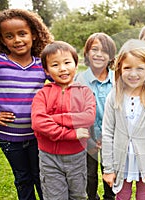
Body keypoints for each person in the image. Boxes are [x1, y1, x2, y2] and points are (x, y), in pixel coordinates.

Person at [0, 8, 53, 200]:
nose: (17, 40)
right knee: (22, 178)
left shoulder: (41, 65)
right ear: (3, 40)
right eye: (9, 36)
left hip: (38, 136)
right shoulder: (0, 63)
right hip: (8, 137)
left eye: (22, 34)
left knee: (41, 176)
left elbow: (62, 84)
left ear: (34, 35)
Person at [101, 39, 145, 200]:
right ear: (119, 69)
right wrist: (108, 168)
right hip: (121, 161)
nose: (133, 73)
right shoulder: (114, 96)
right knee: (122, 195)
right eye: (127, 68)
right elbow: (107, 133)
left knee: (144, 195)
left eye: (140, 68)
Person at [31, 41, 96, 199]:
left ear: (76, 64)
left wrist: (55, 118)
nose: (62, 68)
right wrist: (71, 134)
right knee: (54, 196)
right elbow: (39, 123)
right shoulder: (42, 94)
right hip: (49, 157)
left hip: (76, 156)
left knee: (78, 195)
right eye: (55, 64)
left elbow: (88, 117)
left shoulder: (85, 92)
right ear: (46, 70)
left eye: (67, 62)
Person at [75, 32, 116, 200]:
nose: (99, 54)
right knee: (89, 175)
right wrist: (90, 139)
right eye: (94, 49)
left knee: (112, 174)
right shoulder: (79, 79)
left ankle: (110, 197)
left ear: (111, 56)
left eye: (104, 51)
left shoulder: (118, 79)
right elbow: (76, 111)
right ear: (87, 53)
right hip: (88, 138)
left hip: (113, 137)